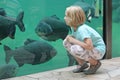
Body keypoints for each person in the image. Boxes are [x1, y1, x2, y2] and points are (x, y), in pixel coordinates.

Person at [63, 6, 106, 74]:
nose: (64, 18)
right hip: (91, 50)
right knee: (66, 42)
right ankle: (82, 64)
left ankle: (95, 63)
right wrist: (71, 38)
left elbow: (89, 46)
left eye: (66, 16)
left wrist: (73, 40)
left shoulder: (82, 29)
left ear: (73, 18)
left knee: (75, 48)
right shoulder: (73, 27)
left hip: (98, 51)